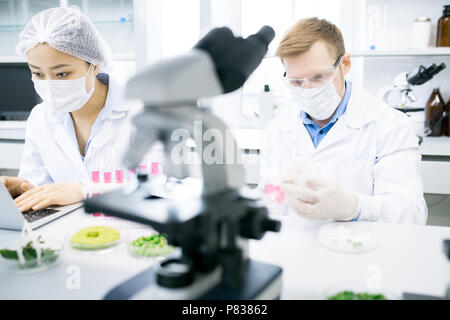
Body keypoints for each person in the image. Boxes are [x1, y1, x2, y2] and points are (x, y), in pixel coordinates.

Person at [260, 18, 427, 224]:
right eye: (296, 81)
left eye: (319, 77)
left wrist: (352, 207)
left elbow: (411, 212)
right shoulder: (277, 129)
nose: (308, 90)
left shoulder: (391, 125)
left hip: (359, 250)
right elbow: (270, 195)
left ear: (345, 64)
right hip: (294, 249)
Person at [0, 7, 155, 213]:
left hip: (131, 231)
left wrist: (84, 191)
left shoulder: (142, 112)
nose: (49, 84)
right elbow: (44, 189)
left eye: (62, 74)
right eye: (37, 73)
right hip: (66, 235)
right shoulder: (40, 119)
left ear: (95, 64)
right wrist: (23, 188)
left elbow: (157, 187)